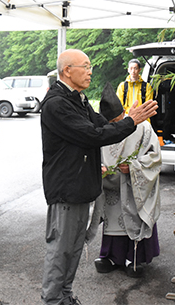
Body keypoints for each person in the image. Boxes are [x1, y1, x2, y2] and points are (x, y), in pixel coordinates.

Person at [40, 49, 158, 305]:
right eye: (85, 66)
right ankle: (52, 299)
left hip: (81, 186)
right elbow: (93, 135)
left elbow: (101, 125)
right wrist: (131, 121)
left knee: (74, 247)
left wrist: (127, 120)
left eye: (90, 66)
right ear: (67, 70)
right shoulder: (57, 103)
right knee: (61, 248)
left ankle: (65, 295)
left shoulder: (78, 100)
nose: (91, 71)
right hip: (66, 189)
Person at [93, 82, 161, 278]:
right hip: (111, 187)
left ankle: (136, 257)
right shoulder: (101, 130)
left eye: (117, 120)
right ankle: (110, 256)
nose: (114, 126)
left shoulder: (143, 128)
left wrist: (134, 167)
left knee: (134, 217)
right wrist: (100, 169)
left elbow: (155, 157)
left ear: (124, 112)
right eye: (110, 123)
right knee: (113, 219)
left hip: (135, 186)